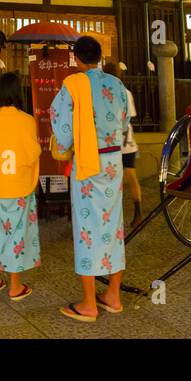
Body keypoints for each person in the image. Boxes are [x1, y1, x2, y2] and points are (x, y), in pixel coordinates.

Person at [50, 36, 128, 322]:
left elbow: (61, 125)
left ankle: (88, 303)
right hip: (113, 162)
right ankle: (113, 296)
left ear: (76, 59)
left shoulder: (73, 85)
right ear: (99, 56)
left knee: (87, 228)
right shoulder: (116, 84)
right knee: (113, 225)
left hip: (87, 162)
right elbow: (123, 122)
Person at [0, 72, 41, 301]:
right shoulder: (27, 120)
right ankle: (15, 286)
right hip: (19, 186)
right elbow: (31, 153)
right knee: (17, 234)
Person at [103, 60, 142, 226]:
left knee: (111, 178)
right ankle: (137, 211)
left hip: (111, 140)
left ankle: (111, 214)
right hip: (126, 140)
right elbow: (130, 115)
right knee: (130, 175)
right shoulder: (125, 92)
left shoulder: (103, 92)